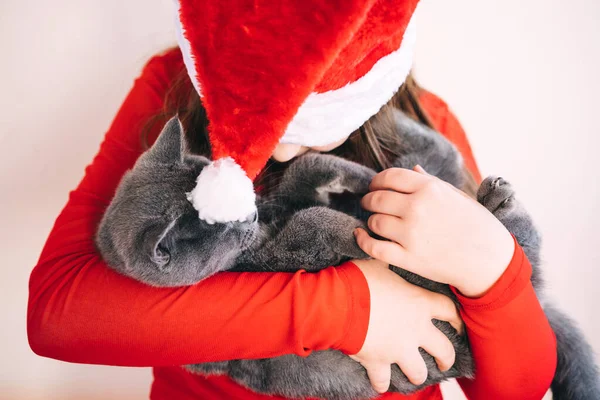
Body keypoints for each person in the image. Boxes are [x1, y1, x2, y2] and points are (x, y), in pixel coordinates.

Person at [27, 1, 557, 399]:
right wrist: (348, 309)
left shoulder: (426, 128)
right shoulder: (172, 91)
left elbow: (515, 387)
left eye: (308, 111)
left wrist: (493, 270)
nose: (275, 142)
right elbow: (60, 313)